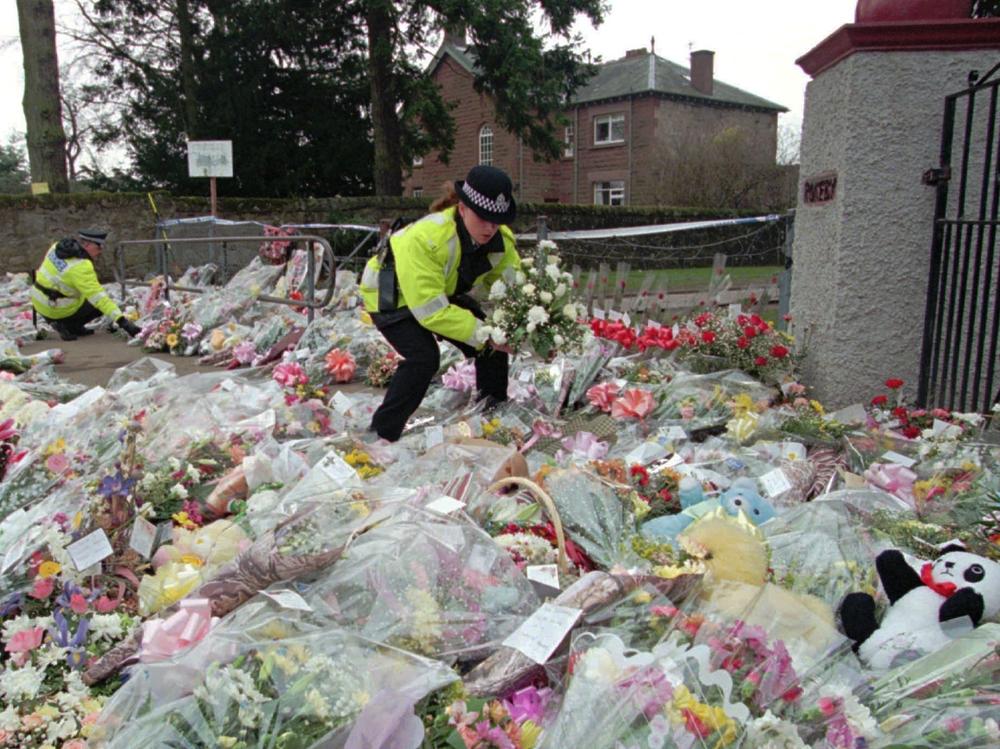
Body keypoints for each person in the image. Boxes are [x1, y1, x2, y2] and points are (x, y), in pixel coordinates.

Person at [360, 165, 522, 442]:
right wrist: (488, 335)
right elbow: (432, 313)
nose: (490, 227)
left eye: (497, 220)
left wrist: (529, 327)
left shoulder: (500, 241)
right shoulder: (428, 238)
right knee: (423, 358)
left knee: (491, 342)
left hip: (438, 294)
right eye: (483, 218)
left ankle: (492, 418)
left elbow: (516, 287)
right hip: (389, 296)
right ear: (462, 209)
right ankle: (381, 434)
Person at [30, 229, 142, 341]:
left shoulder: (56, 247)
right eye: (99, 247)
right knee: (98, 305)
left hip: (37, 301)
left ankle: (66, 324)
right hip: (56, 308)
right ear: (87, 245)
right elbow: (99, 298)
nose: (101, 251)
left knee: (83, 293)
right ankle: (67, 326)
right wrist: (124, 323)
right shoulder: (81, 266)